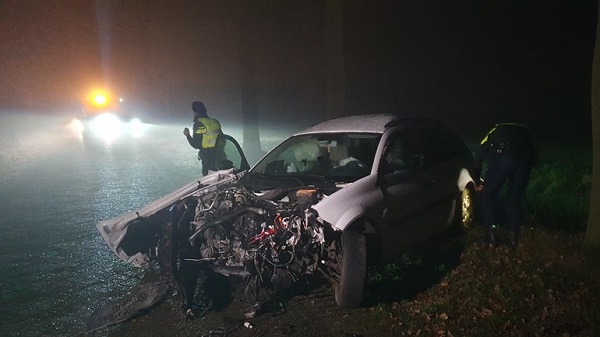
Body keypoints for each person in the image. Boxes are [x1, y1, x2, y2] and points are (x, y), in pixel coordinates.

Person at [473, 123, 536, 249]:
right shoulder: (525, 131)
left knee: (489, 194)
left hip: (502, 158)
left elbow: (480, 154)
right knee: (514, 198)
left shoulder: (495, 129)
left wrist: (477, 180)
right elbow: (535, 154)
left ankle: (491, 236)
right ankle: (512, 238)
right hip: (524, 161)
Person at [183, 101, 223, 175]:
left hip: (208, 159)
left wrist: (187, 135)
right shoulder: (215, 122)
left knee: (209, 180)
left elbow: (196, 145)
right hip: (220, 156)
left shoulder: (199, 124)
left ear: (195, 112)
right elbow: (222, 138)